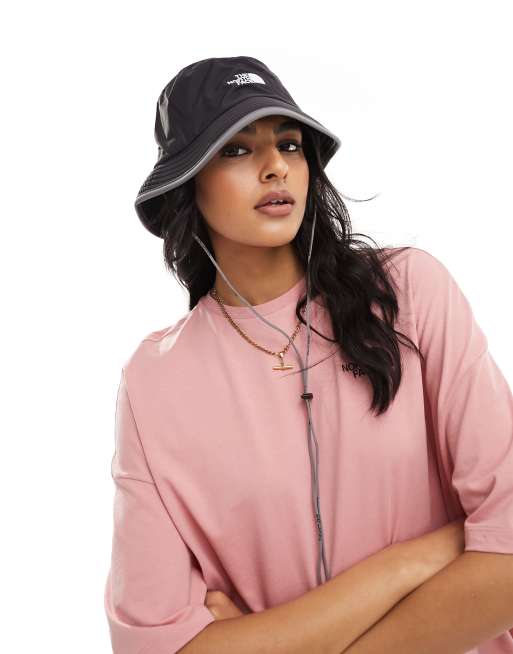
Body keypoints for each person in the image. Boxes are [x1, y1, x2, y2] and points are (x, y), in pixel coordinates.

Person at [103, 56, 513, 654]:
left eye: (289, 145)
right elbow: (159, 645)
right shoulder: (154, 382)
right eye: (236, 150)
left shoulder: (408, 294)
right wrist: (407, 563)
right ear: (188, 184)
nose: (275, 166)